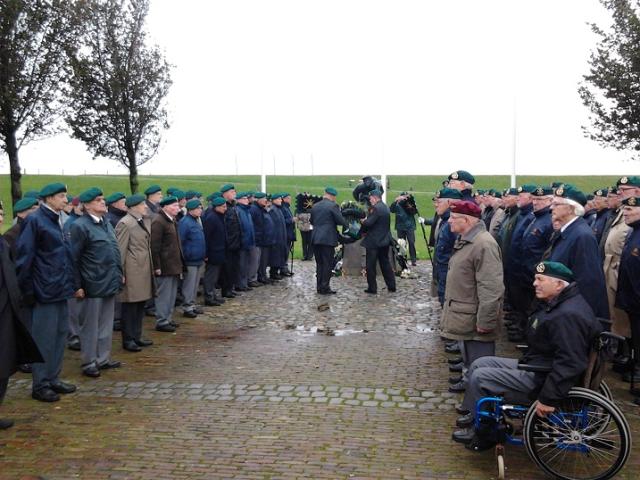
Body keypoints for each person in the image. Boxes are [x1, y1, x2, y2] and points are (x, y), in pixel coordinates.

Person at [452, 261, 602, 450]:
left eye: (540, 279)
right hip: (539, 365)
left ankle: (485, 432)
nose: (534, 283)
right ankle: (474, 413)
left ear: (558, 284)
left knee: (481, 377)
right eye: (535, 279)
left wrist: (548, 399)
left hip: (544, 379)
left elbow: (570, 363)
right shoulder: (560, 303)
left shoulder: (568, 315)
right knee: (480, 362)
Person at [16, 183, 77, 402]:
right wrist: (28, 291)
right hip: (44, 290)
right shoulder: (35, 221)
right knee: (43, 338)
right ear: (49, 198)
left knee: (60, 336)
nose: (65, 200)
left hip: (60, 288)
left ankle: (53, 378)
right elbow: (25, 258)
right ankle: (40, 384)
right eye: (61, 196)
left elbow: (64, 256)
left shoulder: (57, 220)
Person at [441, 201, 504, 394]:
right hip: (465, 315)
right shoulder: (468, 240)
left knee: (481, 366)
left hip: (476, 320)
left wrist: (485, 321)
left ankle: (480, 409)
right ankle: (471, 393)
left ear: (467, 220)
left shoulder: (483, 244)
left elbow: (491, 288)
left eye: (453, 218)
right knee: (470, 360)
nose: (449, 221)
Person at [69, 188, 123, 378]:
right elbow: (73, 258)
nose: (103, 202)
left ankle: (103, 358)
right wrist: (77, 285)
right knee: (90, 326)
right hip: (91, 284)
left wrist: (119, 273)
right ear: (87, 205)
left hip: (109, 280)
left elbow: (113, 251)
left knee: (106, 323)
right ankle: (89, 361)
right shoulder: (80, 226)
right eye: (98, 200)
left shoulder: (106, 223)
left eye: (103, 199)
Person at [0, 201, 43, 428]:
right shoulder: (9, 238)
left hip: (8, 309)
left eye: (1, 213)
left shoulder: (2, 243)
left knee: (4, 365)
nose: (0, 216)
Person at [544, 185, 609, 319]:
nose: (551, 208)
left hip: (572, 314)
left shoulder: (582, 236)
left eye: (556, 204)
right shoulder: (568, 231)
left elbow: (588, 283)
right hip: (562, 307)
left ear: (571, 208)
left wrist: (581, 318)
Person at [115, 194, 154, 352]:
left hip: (142, 269)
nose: (145, 206)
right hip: (132, 271)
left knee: (140, 305)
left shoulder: (142, 220)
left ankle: (137, 336)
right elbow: (120, 250)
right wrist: (121, 272)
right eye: (142, 204)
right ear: (133, 207)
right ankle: (128, 339)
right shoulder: (125, 223)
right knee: (130, 307)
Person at [616, 195, 640, 388]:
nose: (626, 212)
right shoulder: (633, 232)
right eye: (625, 209)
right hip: (632, 301)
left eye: (630, 210)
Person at [151, 196, 185, 332]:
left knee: (171, 295)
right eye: (174, 206)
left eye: (177, 206)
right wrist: (157, 266)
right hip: (164, 266)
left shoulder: (172, 220)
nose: (177, 208)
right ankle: (162, 320)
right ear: (164, 207)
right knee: (163, 295)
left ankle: (168, 318)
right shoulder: (159, 221)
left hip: (174, 264)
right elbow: (154, 246)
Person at [310, 186, 348, 295]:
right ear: (332, 196)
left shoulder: (315, 206)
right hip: (327, 238)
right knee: (327, 263)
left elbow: (312, 221)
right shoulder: (333, 206)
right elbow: (340, 221)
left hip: (315, 238)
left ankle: (319, 286)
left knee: (319, 263)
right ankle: (325, 287)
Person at [360, 190, 396, 294]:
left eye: (371, 198)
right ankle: (391, 285)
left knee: (370, 265)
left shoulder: (375, 208)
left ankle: (372, 287)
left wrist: (363, 221)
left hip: (374, 242)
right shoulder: (385, 207)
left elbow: (369, 223)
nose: (370, 200)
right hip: (384, 240)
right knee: (385, 264)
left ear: (375, 198)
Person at [433, 188, 463, 306]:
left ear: (450, 202)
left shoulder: (454, 223)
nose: (436, 205)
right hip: (444, 275)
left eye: (439, 202)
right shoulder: (446, 221)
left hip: (450, 278)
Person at [178, 199, 206, 318]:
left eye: (200, 208)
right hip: (190, 259)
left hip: (198, 258)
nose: (200, 211)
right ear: (191, 210)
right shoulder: (185, 223)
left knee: (194, 284)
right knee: (189, 284)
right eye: (198, 209)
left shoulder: (196, 221)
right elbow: (181, 241)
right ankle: (187, 306)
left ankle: (192, 304)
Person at [202, 197, 228, 306]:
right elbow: (207, 237)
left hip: (219, 251)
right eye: (223, 207)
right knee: (210, 276)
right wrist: (206, 253)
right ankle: (209, 296)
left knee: (215, 276)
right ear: (217, 207)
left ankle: (213, 295)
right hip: (213, 252)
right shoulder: (212, 218)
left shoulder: (219, 216)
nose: (225, 209)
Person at [221, 183, 242, 296]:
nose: (234, 194)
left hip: (236, 242)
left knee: (234, 267)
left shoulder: (233, 206)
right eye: (232, 192)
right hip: (228, 243)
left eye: (234, 192)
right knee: (227, 268)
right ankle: (226, 289)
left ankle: (231, 287)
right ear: (225, 194)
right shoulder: (223, 206)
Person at [251, 193, 275, 285]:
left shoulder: (261, 209)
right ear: (258, 199)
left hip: (265, 239)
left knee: (263, 260)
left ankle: (263, 275)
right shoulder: (255, 209)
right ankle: (260, 277)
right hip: (260, 239)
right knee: (259, 260)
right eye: (264, 198)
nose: (266, 200)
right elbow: (256, 225)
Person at [235, 192, 257, 290]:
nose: (246, 200)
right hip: (242, 242)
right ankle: (240, 284)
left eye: (246, 198)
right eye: (244, 198)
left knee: (246, 264)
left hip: (249, 241)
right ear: (238, 200)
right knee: (241, 265)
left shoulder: (246, 211)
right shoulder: (238, 211)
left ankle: (244, 283)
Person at [390, 192, 417, 266]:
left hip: (410, 226)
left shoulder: (410, 202)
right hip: (400, 226)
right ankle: (403, 259)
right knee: (402, 243)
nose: (404, 198)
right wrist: (395, 201)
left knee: (411, 242)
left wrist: (409, 202)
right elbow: (391, 210)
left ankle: (413, 259)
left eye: (405, 196)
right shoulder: (397, 203)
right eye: (402, 196)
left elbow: (414, 211)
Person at [281, 193, 296, 276]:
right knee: (284, 252)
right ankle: (283, 268)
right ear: (285, 199)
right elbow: (283, 221)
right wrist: (291, 220)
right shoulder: (283, 208)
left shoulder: (287, 208)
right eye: (289, 198)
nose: (290, 200)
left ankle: (285, 268)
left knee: (287, 252)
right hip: (286, 233)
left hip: (289, 233)